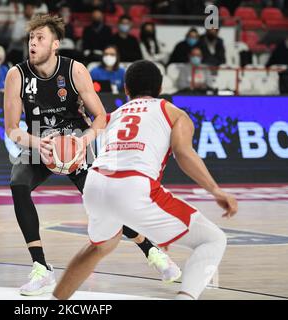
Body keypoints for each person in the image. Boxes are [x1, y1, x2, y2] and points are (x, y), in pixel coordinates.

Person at [4, 14, 181, 296]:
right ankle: (41, 268)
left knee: (107, 202)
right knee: (18, 182)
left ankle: (154, 253)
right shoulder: (17, 75)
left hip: (76, 138)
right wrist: (38, 144)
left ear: (55, 44)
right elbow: (12, 128)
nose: (33, 44)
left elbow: (101, 117)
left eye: (40, 39)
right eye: (31, 39)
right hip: (41, 139)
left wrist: (83, 140)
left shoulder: (74, 70)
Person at [53, 60, 238, 300]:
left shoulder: (113, 115)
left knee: (99, 247)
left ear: (126, 90)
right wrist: (215, 190)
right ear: (161, 89)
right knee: (212, 240)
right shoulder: (174, 113)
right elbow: (184, 154)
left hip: (95, 184)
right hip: (134, 186)